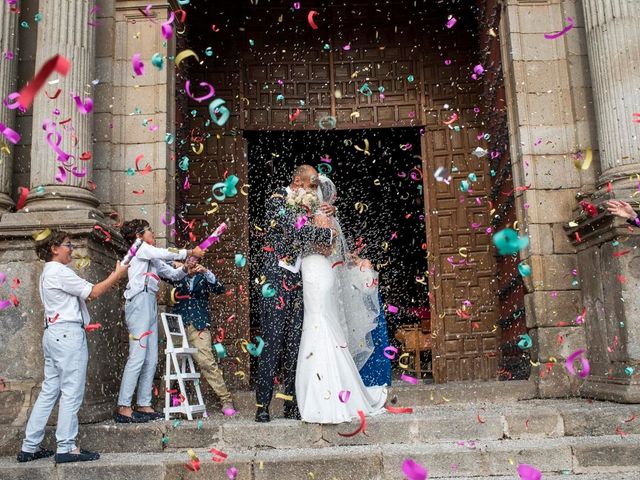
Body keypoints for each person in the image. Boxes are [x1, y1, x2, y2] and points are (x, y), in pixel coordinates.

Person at [17, 229, 128, 464]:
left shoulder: (48, 272)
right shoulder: (60, 271)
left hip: (55, 334)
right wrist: (117, 275)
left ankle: (29, 447)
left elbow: (79, 298)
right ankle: (66, 447)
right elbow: (92, 292)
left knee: (49, 391)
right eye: (68, 245)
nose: (72, 249)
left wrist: (80, 319)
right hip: (67, 336)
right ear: (54, 249)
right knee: (71, 392)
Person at [296, 175, 387, 424]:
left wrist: (307, 230)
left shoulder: (324, 216)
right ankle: (320, 391)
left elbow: (326, 248)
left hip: (318, 272)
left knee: (320, 324)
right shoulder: (307, 214)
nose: (309, 192)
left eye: (313, 188)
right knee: (316, 323)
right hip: (312, 272)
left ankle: (326, 397)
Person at [255, 165, 335, 423]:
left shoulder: (308, 203)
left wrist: (328, 215)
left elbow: (312, 222)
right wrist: (327, 233)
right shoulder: (277, 198)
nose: (314, 190)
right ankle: (262, 405)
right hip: (275, 280)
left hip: (299, 280)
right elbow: (294, 229)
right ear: (297, 180)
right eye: (311, 185)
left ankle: (290, 403)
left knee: (294, 344)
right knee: (273, 340)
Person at [115, 219, 204, 423]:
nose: (153, 234)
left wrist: (186, 267)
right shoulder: (139, 247)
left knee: (151, 356)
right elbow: (163, 253)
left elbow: (172, 273)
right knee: (137, 355)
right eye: (149, 231)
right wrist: (189, 251)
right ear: (139, 235)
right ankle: (123, 406)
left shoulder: (150, 255)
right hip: (138, 300)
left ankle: (144, 404)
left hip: (149, 301)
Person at [168, 256, 234, 414]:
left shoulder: (203, 277)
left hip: (199, 325)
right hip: (179, 324)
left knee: (206, 362)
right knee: (174, 364)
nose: (192, 263)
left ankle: (226, 400)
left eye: (194, 261)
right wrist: (177, 265)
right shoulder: (177, 274)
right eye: (189, 260)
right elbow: (162, 270)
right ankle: (175, 400)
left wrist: (206, 272)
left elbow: (220, 289)